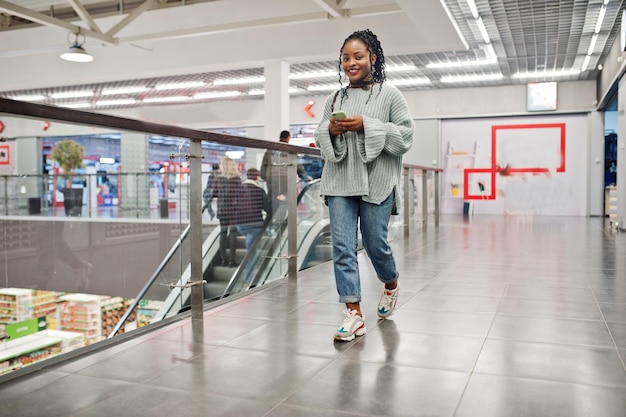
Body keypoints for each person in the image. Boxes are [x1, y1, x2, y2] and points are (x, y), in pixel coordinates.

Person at [314, 29, 414, 342]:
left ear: (373, 58)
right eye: (346, 57)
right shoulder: (335, 98)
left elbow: (405, 137)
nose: (351, 63)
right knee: (343, 248)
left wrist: (365, 125)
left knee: (375, 246)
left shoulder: (390, 95)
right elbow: (319, 136)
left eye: (358, 56)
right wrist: (332, 130)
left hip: (376, 184)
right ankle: (353, 313)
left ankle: (391, 283)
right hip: (339, 182)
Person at [210, 157, 243, 267]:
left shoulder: (219, 179)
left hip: (222, 209)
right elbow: (241, 194)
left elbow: (214, 193)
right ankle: (231, 260)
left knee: (223, 233)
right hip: (234, 210)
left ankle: (223, 259)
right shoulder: (237, 179)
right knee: (233, 233)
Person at [236, 168, 271, 250]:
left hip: (240, 224)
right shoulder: (259, 191)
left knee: (250, 242)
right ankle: (250, 262)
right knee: (251, 248)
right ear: (257, 177)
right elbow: (267, 208)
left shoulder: (238, 189)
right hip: (254, 224)